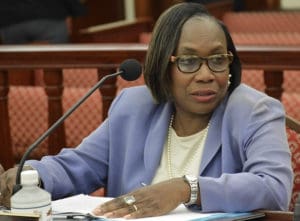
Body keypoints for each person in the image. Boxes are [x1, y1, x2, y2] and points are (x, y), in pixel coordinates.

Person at [0, 2, 293, 219]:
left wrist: (185, 189)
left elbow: (273, 187)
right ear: (163, 67)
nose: (206, 74)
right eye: (189, 62)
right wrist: (31, 176)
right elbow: (78, 165)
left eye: (217, 59)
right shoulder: (134, 107)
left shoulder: (255, 111)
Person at [0, 0, 86, 44]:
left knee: (16, 64)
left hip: (11, 21)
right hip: (50, 18)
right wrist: (76, 10)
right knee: (55, 60)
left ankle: (18, 78)